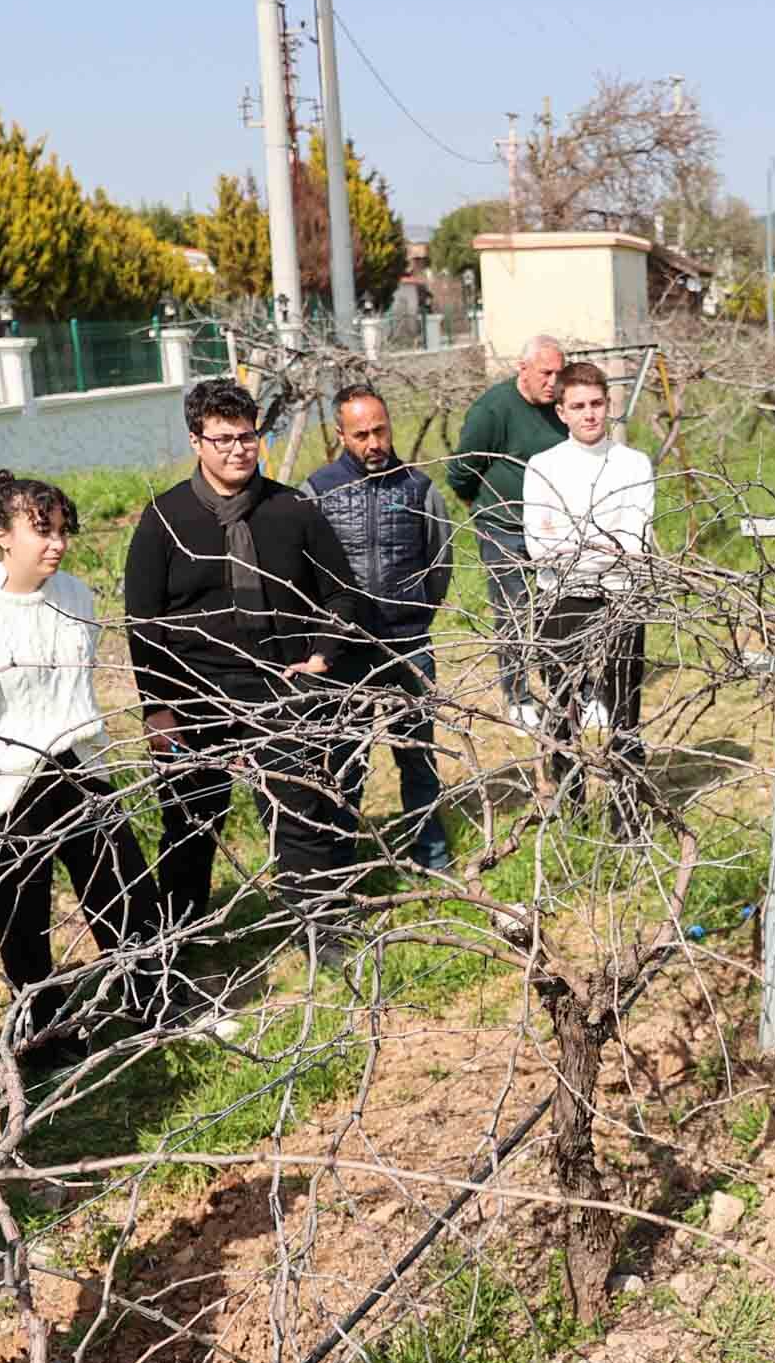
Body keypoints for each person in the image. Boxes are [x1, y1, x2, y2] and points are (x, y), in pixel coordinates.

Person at [0, 473, 167, 1073]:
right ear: (2, 535)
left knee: (123, 889)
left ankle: (157, 1001)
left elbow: (77, 683)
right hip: (5, 781)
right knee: (22, 918)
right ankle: (43, 1037)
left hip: (80, 763)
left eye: (62, 530)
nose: (56, 543)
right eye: (42, 531)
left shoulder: (78, 598)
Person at [124, 378, 363, 944]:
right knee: (189, 823)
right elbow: (143, 623)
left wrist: (323, 657)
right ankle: (179, 943)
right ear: (196, 442)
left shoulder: (292, 510)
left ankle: (322, 932)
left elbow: (342, 594)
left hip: (280, 686)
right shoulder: (164, 519)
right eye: (223, 438)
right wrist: (159, 709)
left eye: (247, 437)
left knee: (297, 812)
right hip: (193, 695)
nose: (238, 450)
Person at [305, 385, 455, 872]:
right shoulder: (318, 490)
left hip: (408, 645)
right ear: (341, 435)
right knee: (346, 760)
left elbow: (439, 562)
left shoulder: (418, 488)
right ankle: (344, 863)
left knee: (418, 753)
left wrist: (415, 615)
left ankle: (431, 855)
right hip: (345, 653)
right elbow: (305, 570)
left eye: (381, 431)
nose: (374, 443)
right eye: (361, 434)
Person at [520, 361, 656, 825]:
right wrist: (600, 543)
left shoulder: (633, 464)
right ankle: (570, 807)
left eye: (596, 404)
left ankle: (625, 814)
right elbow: (542, 547)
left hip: (621, 598)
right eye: (578, 406)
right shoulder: (544, 467)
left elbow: (634, 544)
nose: (589, 414)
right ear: (561, 412)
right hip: (563, 598)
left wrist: (578, 540)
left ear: (608, 405)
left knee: (624, 709)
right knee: (563, 706)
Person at [445, 334, 569, 727]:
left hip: (554, 528)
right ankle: (518, 697)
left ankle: (567, 688)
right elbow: (461, 470)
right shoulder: (493, 410)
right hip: (504, 528)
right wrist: (484, 508)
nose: (553, 381)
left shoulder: (561, 409)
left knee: (559, 608)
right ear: (524, 369)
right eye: (546, 372)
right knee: (513, 612)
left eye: (558, 373)